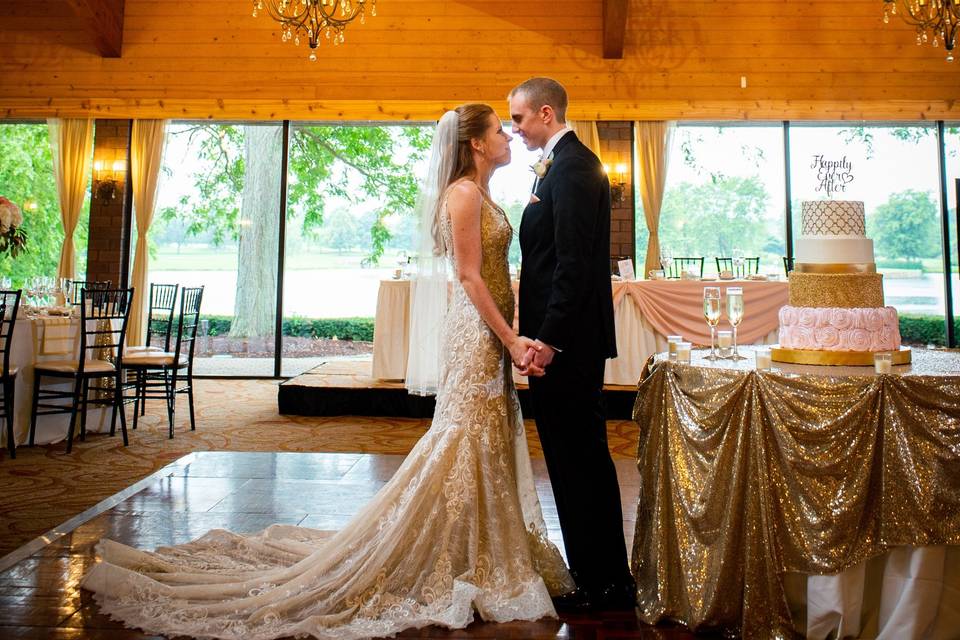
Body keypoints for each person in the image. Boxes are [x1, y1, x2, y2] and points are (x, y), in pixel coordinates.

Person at [80, 104, 574, 639]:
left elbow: (492, 278)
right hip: (479, 336)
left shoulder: (481, 194)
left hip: (489, 332)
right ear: (476, 144)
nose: (508, 136)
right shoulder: (462, 194)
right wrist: (508, 335)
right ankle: (451, 552)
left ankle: (477, 547)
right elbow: (471, 278)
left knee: (481, 439)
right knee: (462, 438)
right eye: (499, 130)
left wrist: (515, 330)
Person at [509, 77, 636, 610]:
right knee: (566, 459)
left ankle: (607, 582)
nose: (514, 130)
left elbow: (574, 265)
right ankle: (593, 574)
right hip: (563, 343)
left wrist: (548, 340)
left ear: (544, 113)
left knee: (580, 459)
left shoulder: (576, 168)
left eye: (517, 119)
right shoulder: (561, 166)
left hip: (569, 346)